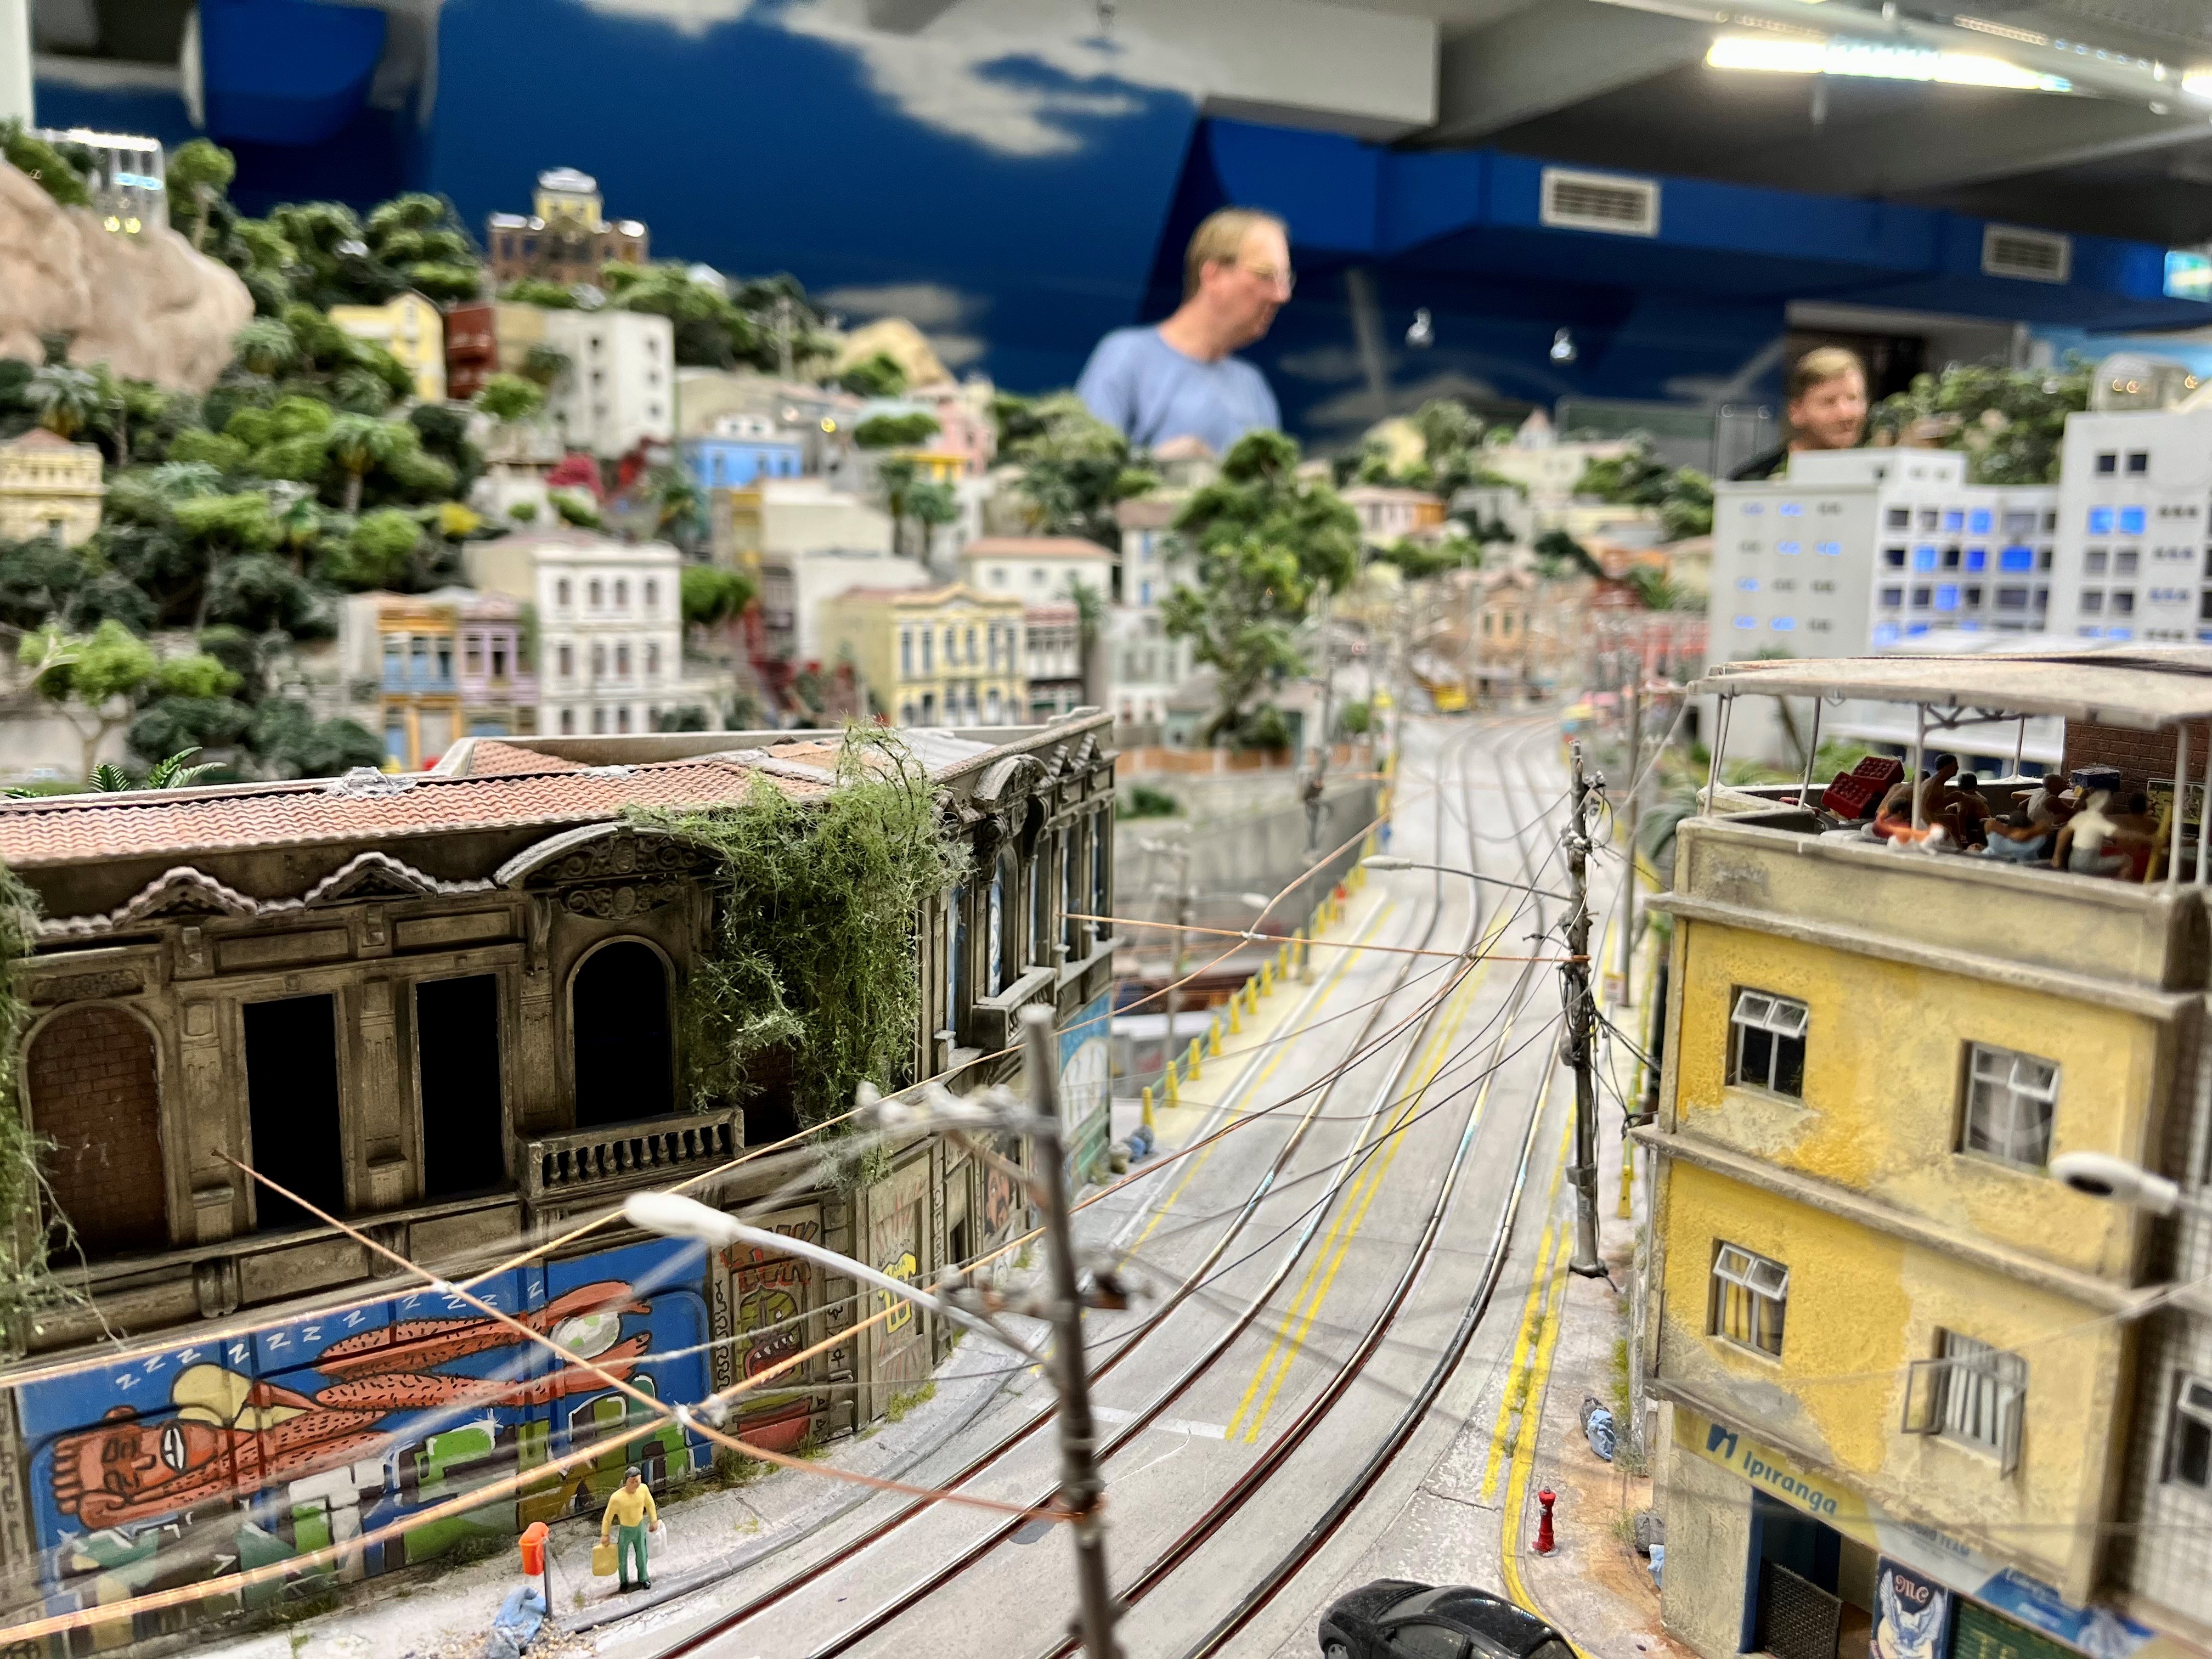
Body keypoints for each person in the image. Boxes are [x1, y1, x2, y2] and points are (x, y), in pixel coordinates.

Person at [1077, 207, 1288, 457]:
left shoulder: (1253, 386)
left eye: (1286, 278)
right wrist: (1160, 466)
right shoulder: (1126, 356)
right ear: (1214, 275)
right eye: (1266, 275)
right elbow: (1084, 465)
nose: (1282, 295)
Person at [1730, 346, 1870, 482]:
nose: (1846, 414)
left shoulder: (1874, 477)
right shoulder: (1754, 483)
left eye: (1853, 399)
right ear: (1796, 411)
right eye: (1829, 402)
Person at [601, 1464, 658, 1592]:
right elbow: (607, 1518)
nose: (636, 1484)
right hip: (625, 1531)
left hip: (639, 1528)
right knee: (622, 1557)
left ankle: (643, 1578)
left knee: (642, 1555)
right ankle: (623, 1581)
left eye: (638, 1480)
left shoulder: (643, 1490)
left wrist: (654, 1520)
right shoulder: (617, 1498)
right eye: (633, 1481)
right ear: (627, 1481)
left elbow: (650, 1505)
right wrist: (605, 1534)